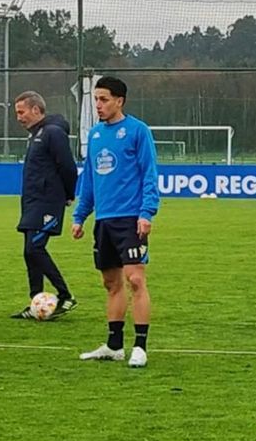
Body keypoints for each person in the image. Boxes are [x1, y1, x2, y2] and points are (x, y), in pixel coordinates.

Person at [72, 76, 159, 368]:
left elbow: (149, 173)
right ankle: (113, 346)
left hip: (130, 219)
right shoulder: (95, 135)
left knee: (135, 279)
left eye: (104, 99)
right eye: (96, 99)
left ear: (119, 101)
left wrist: (147, 213)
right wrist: (80, 215)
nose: (98, 104)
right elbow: (89, 181)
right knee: (111, 283)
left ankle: (141, 346)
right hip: (104, 221)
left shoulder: (137, 131)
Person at [10, 90, 79, 320]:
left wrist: (69, 194)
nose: (18, 117)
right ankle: (35, 303)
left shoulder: (53, 133)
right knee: (29, 253)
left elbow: (68, 167)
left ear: (36, 110)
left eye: (21, 112)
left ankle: (65, 295)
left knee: (35, 249)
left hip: (47, 202)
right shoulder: (36, 134)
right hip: (32, 203)